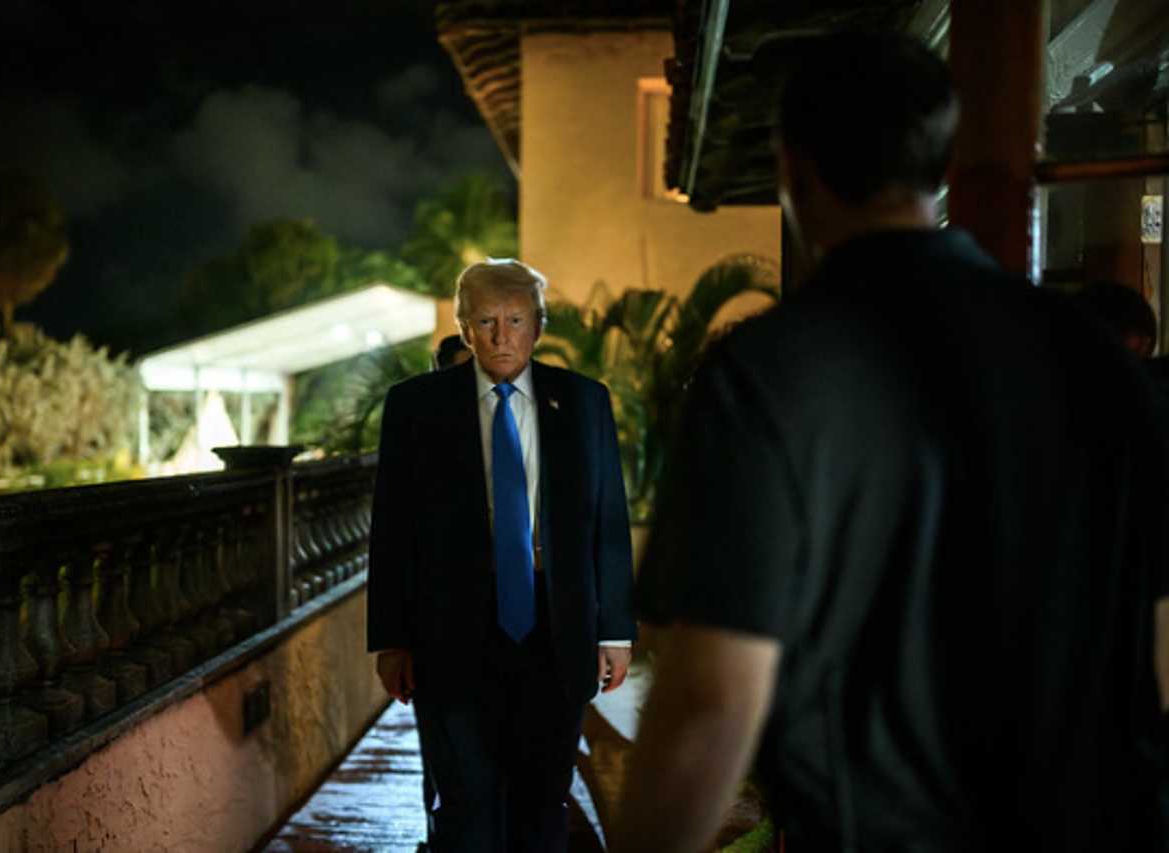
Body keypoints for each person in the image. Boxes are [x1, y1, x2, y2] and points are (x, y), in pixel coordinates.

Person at [616, 31, 1168, 853]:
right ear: (942, 169)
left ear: (792, 171)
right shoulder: (1100, 360)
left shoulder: (769, 371)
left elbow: (715, 696)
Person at [368, 258, 636, 853]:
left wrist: (614, 629)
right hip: (451, 629)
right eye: (485, 320)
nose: (501, 335)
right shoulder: (415, 406)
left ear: (538, 326)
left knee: (542, 801)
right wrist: (390, 639)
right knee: (467, 805)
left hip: (556, 628)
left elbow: (608, 524)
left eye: (516, 319)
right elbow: (392, 529)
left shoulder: (585, 402)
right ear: (464, 328)